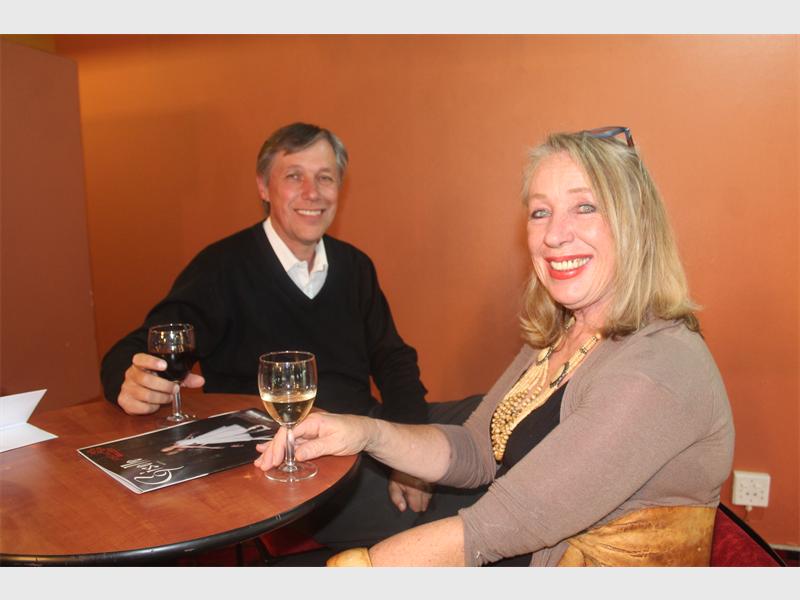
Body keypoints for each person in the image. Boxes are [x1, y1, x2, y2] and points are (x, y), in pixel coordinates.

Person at [255, 126, 735, 566]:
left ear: (637, 224)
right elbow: (477, 449)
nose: (553, 235)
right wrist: (364, 433)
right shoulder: (565, 333)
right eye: (540, 212)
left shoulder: (656, 365)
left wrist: (361, 570)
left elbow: (499, 524)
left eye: (585, 207)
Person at [100, 122, 481, 549]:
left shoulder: (354, 266)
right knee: (460, 508)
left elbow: (393, 360)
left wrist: (409, 451)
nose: (312, 192)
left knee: (497, 421)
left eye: (325, 177)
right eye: (294, 176)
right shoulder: (221, 268)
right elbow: (138, 347)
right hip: (293, 459)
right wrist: (126, 379)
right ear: (264, 187)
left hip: (363, 429)